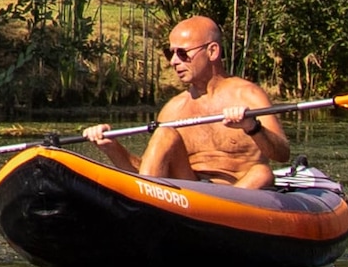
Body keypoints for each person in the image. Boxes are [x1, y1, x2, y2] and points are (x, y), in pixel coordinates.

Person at [85, 12, 287, 186]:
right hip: (192, 192)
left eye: (182, 53)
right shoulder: (174, 109)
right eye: (170, 53)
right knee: (164, 134)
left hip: (239, 193)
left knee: (262, 173)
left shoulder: (247, 95)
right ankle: (146, 215)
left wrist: (252, 127)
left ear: (212, 51)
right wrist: (112, 147)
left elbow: (282, 154)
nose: (174, 62)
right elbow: (147, 171)